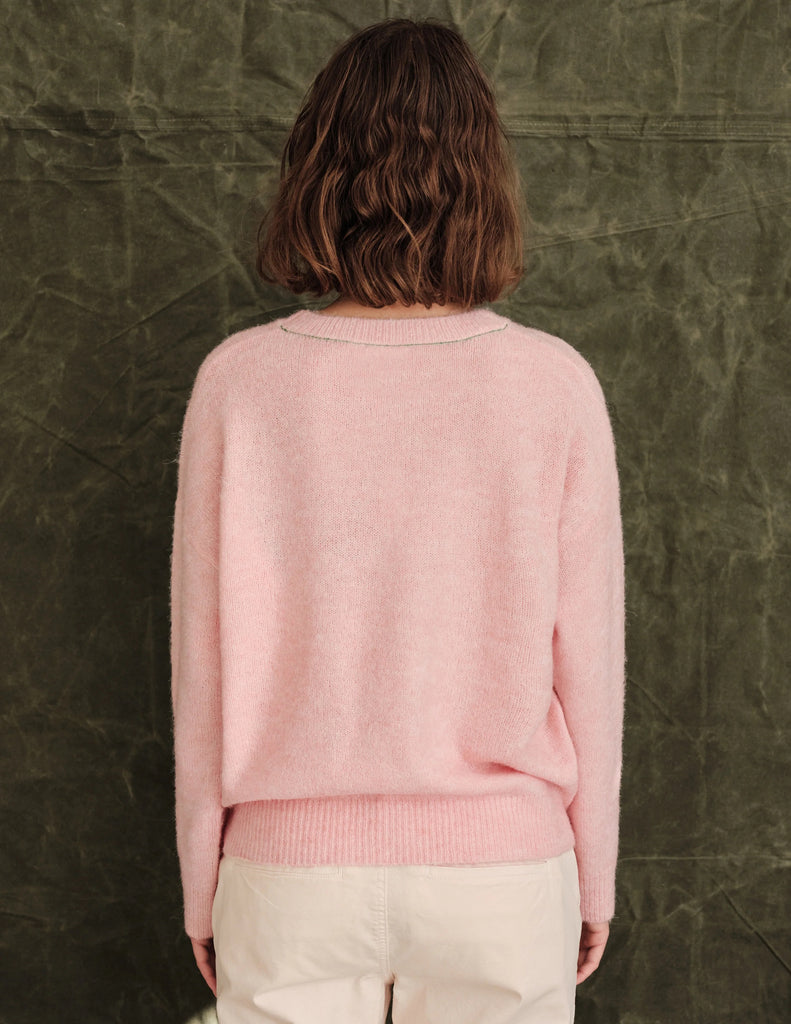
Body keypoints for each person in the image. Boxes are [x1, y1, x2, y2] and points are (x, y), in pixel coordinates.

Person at [170, 16, 626, 1024]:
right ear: (484, 178)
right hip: (502, 878)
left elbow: (204, 665)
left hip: (287, 877)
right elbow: (586, 665)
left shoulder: (238, 384)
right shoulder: (552, 384)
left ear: (316, 173)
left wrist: (204, 882)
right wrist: (591, 877)